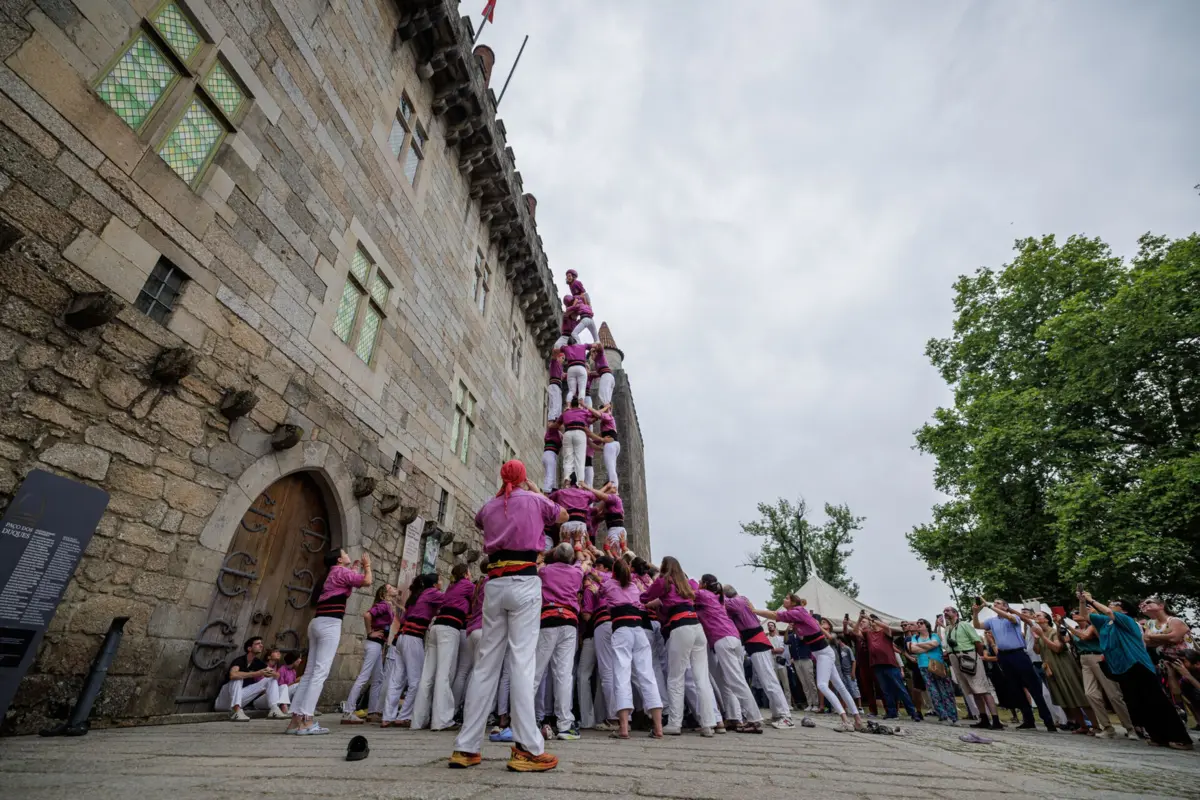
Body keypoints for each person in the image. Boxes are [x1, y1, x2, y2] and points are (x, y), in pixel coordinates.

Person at [449, 460, 567, 771]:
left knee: (486, 664)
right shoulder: (534, 500)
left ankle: (466, 747)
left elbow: (479, 521)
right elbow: (563, 517)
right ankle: (526, 747)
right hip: (524, 581)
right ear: (524, 477)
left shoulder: (488, 506)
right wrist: (535, 492)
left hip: (495, 583)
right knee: (522, 663)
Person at [1080, 590, 1192, 749]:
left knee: (1157, 702)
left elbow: (1108, 611)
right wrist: (1083, 601)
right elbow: (1086, 616)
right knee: (1139, 704)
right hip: (1121, 668)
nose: (1111, 604)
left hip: (1138, 665)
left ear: (1124, 610)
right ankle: (1157, 736)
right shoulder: (1105, 622)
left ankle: (1181, 738)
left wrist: (1091, 600)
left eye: (1116, 604)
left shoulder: (1126, 620)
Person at [287, 549, 371, 735]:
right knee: (320, 673)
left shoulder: (331, 574)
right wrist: (367, 567)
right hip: (330, 623)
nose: (348, 554)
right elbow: (366, 581)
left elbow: (347, 585)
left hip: (317, 622)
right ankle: (307, 720)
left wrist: (355, 569)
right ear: (340, 559)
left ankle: (295, 720)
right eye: (345, 553)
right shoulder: (341, 572)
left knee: (309, 673)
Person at [756, 596, 863, 732]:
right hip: (822, 653)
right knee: (839, 685)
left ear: (793, 603)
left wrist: (753, 610)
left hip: (824, 653)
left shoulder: (798, 611)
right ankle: (857, 719)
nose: (784, 599)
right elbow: (806, 634)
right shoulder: (798, 617)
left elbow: (774, 614)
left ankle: (845, 719)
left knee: (822, 685)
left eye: (787, 598)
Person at [640, 557, 716, 736]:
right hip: (697, 627)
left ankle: (675, 722)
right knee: (701, 677)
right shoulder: (689, 583)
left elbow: (644, 597)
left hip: (680, 626)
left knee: (676, 677)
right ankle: (708, 723)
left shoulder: (663, 581)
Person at [599, 556, 664, 739]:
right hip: (639, 630)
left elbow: (599, 593)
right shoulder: (635, 587)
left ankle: (624, 728)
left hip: (622, 630)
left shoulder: (609, 584)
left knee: (621, 675)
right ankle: (658, 728)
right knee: (647, 675)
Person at [973, 599, 1056, 732]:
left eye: (998, 603)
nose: (995, 605)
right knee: (1015, 688)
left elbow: (1009, 616)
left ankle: (1048, 720)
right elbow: (977, 625)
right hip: (1004, 656)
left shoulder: (1013, 617)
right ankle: (1028, 720)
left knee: (1033, 687)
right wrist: (975, 613)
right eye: (994, 604)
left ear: (1006, 606)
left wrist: (988, 605)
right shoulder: (992, 621)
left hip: (1018, 654)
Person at [412, 564, 474, 731]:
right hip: (449, 629)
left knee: (427, 675)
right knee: (444, 674)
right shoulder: (467, 585)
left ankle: (418, 720)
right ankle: (441, 720)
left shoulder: (451, 587)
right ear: (466, 574)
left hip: (436, 627)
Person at [722, 585, 793, 728]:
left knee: (769, 680)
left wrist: (715, 593)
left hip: (757, 641)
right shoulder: (742, 600)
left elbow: (724, 603)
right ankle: (777, 714)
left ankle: (786, 716)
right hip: (754, 642)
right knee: (767, 680)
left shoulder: (738, 601)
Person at [535, 543, 586, 740]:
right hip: (569, 621)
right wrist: (578, 546)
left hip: (548, 619)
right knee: (564, 674)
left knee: (537, 670)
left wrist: (550, 553)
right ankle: (565, 725)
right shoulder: (577, 573)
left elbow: (537, 563)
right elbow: (583, 562)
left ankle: (522, 719)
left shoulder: (545, 572)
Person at [1066, 608, 1134, 737]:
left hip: (1098, 657)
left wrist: (1067, 626)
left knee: (1113, 694)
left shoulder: (1093, 626)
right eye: (1072, 613)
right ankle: (1107, 727)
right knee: (1091, 694)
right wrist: (1060, 625)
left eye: (1077, 612)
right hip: (1084, 659)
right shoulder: (1075, 628)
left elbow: (1085, 636)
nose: (1073, 614)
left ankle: (1130, 727)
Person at [342, 584, 397, 724]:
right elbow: (367, 615)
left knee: (378, 678)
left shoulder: (388, 605)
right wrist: (370, 632)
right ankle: (348, 711)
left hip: (378, 645)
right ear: (384, 593)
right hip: (373, 643)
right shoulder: (383, 605)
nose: (395, 589)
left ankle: (372, 711)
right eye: (391, 588)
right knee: (364, 676)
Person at [1031, 611, 1093, 734]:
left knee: (1077, 695)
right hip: (1051, 668)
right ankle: (1082, 725)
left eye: (1038, 615)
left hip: (1064, 666)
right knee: (1067, 698)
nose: (1035, 617)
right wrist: (1037, 640)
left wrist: (1042, 637)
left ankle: (1095, 725)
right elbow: (1037, 651)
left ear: (1046, 619)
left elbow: (1057, 648)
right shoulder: (1039, 633)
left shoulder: (1054, 632)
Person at [1140, 596, 1199, 724]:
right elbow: (1147, 641)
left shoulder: (1175, 620)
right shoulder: (1150, 623)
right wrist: (1163, 636)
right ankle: (1182, 718)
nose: (1144, 605)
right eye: (1143, 604)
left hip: (1189, 661)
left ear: (1161, 606)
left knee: (1193, 693)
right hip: (1168, 660)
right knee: (1176, 692)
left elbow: (1175, 638)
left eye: (1149, 602)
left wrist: (1153, 636)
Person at [943, 605, 1002, 730]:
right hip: (955, 657)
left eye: (948, 611)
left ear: (955, 613)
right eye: (944, 611)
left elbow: (977, 642)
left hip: (968, 655)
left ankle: (996, 719)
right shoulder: (948, 629)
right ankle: (983, 718)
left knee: (982, 688)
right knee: (971, 689)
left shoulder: (964, 625)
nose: (945, 613)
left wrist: (978, 657)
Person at [855, 613, 921, 722]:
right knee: (885, 690)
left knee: (900, 688)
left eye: (872, 622)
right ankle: (891, 712)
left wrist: (871, 619)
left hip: (890, 664)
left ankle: (912, 712)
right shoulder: (868, 633)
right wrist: (860, 619)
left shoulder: (885, 632)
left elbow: (887, 627)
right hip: (876, 664)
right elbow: (855, 631)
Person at [215, 636, 289, 720]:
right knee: (238, 678)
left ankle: (274, 709)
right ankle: (236, 712)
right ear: (249, 648)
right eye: (257, 644)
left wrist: (270, 674)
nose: (261, 645)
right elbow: (232, 675)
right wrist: (257, 673)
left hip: (241, 700)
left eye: (261, 643)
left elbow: (277, 675)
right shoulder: (240, 660)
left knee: (270, 680)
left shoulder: (257, 662)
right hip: (224, 701)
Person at [906, 619, 957, 724]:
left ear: (927, 625)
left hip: (937, 665)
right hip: (924, 666)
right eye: (918, 623)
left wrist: (920, 646)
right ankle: (942, 715)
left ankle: (953, 716)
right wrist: (927, 647)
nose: (918, 625)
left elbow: (934, 643)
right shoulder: (915, 637)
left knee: (945, 691)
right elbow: (913, 650)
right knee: (933, 692)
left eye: (921, 623)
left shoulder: (933, 635)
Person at [557, 397, 597, 484]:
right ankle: (580, 482)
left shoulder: (566, 413)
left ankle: (567, 479)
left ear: (571, 405)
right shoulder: (583, 411)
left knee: (568, 458)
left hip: (568, 433)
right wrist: (585, 405)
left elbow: (558, 423)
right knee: (580, 458)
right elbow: (595, 415)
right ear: (579, 405)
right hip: (580, 432)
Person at [766, 621, 793, 709]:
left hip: (781, 663)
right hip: (771, 664)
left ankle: (788, 704)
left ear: (775, 627)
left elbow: (781, 650)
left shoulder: (780, 638)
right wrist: (774, 650)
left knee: (786, 685)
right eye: (769, 626)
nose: (770, 627)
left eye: (772, 625)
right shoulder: (766, 638)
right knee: (775, 685)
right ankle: (779, 704)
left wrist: (771, 651)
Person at [557, 338, 591, 405]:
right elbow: (592, 346)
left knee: (572, 390)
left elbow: (558, 347)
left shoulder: (567, 348)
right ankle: (581, 404)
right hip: (581, 367)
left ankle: (568, 406)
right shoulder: (582, 346)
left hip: (571, 368)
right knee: (582, 389)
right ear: (576, 342)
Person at [595, 405, 620, 489]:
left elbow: (598, 414)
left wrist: (606, 408)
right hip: (614, 443)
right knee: (612, 466)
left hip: (610, 444)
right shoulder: (605, 423)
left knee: (610, 467)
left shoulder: (608, 416)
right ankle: (613, 484)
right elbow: (598, 440)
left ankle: (614, 486)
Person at [592, 342, 616, 406]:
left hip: (606, 376)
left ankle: (607, 409)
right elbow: (597, 373)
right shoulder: (596, 364)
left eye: (592, 354)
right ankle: (608, 410)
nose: (592, 356)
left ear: (596, 353)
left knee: (602, 394)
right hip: (608, 377)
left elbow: (601, 349)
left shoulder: (600, 356)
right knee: (607, 396)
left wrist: (596, 345)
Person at [541, 421, 562, 494]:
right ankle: (546, 493)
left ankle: (550, 493)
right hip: (549, 453)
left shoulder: (559, 434)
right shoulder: (552, 430)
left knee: (552, 476)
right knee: (550, 475)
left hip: (552, 455)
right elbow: (550, 424)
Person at [547, 351, 564, 422]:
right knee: (554, 404)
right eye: (562, 358)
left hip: (558, 388)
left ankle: (556, 420)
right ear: (558, 357)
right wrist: (558, 349)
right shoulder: (554, 362)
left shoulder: (561, 367)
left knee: (559, 406)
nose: (563, 360)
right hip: (554, 386)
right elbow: (553, 356)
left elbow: (563, 375)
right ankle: (551, 419)